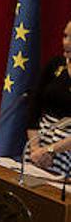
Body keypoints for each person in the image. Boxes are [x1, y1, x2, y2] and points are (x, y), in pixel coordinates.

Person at [26, 19, 71, 176]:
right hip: (38, 145)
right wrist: (35, 148)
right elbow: (34, 107)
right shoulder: (55, 65)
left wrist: (51, 151)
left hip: (66, 150)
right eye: (65, 36)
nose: (66, 42)